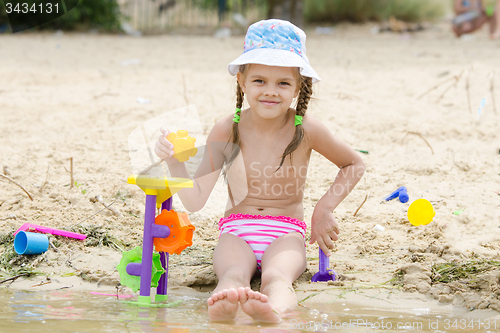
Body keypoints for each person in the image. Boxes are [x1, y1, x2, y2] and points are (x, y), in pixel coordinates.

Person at [154, 19, 365, 323]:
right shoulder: (228, 128)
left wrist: (325, 207)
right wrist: (174, 162)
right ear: (242, 81)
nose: (270, 91)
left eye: (283, 83)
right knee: (232, 273)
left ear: (298, 87)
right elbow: (196, 200)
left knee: (278, 278)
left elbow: (353, 164)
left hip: (285, 231)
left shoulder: (305, 128)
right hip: (236, 230)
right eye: (259, 81)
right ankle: (224, 308)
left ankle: (273, 314)